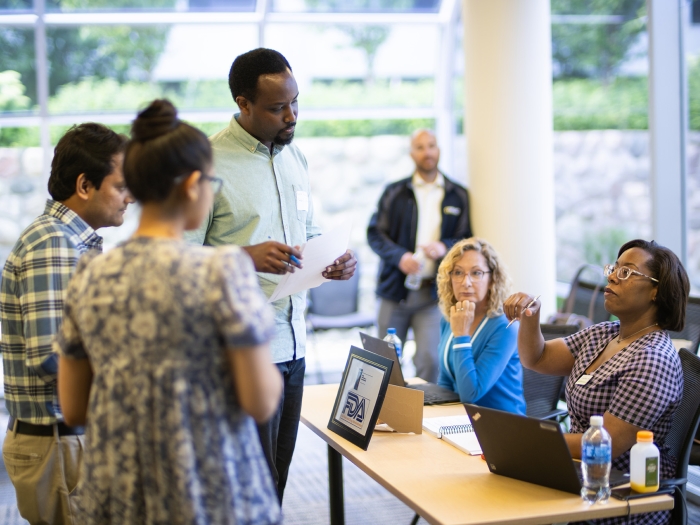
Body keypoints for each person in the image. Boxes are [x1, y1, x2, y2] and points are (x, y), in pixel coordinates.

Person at [54, 99, 283, 524]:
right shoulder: (221, 270)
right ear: (194, 184)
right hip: (208, 488)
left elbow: (75, 408)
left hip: (120, 490)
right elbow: (261, 400)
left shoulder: (90, 274)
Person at [185, 48, 356, 502]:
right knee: (244, 491)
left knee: (275, 483)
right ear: (243, 103)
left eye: (295, 102)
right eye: (278, 107)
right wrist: (246, 257)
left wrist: (336, 260)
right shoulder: (206, 164)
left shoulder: (294, 157)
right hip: (238, 352)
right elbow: (174, 262)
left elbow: (309, 230)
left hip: (293, 344)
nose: (291, 115)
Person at [0, 123, 133, 525]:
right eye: (121, 185)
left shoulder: (70, 241)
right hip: (59, 443)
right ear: (85, 185)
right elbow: (52, 356)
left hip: (64, 440)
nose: (130, 198)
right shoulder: (54, 243)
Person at [505, 239, 689, 525]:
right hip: (579, 476)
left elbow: (608, 445)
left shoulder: (653, 359)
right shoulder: (604, 334)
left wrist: (532, 445)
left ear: (655, 291)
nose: (613, 276)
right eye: (614, 268)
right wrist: (531, 318)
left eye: (627, 272)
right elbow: (538, 358)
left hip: (620, 497)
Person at [367, 129, 472, 382]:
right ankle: (385, 414)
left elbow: (466, 238)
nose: (427, 152)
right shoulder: (394, 192)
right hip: (394, 293)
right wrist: (400, 257)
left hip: (433, 294)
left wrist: (445, 247)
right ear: (411, 153)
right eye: (420, 147)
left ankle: (420, 416)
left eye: (432, 146)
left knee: (430, 360)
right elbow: (375, 234)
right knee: (383, 361)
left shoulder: (458, 194)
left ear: (439, 150)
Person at [434, 237, 525, 414]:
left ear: (492, 279)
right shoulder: (450, 317)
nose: (465, 282)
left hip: (500, 426)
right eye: (458, 273)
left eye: (476, 273)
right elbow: (446, 380)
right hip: (462, 420)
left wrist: (461, 336)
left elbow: (470, 394)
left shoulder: (505, 327)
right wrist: (436, 412)